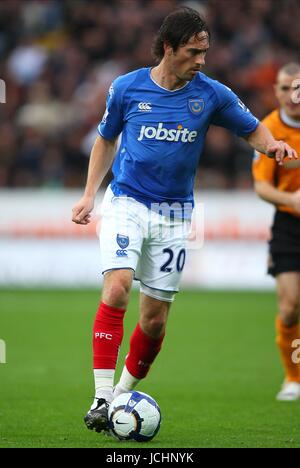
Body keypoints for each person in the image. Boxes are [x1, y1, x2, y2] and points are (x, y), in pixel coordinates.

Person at [72, 7, 297, 433]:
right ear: (169, 48)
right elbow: (105, 139)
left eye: (205, 52)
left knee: (154, 320)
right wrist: (89, 195)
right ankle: (101, 396)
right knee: (117, 286)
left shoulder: (211, 94)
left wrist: (273, 147)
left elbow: (250, 129)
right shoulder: (126, 88)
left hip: (176, 214)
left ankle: (120, 396)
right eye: (194, 52)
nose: (202, 60)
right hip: (127, 202)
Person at [252, 63, 300, 401]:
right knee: (290, 308)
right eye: (284, 88)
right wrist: (292, 200)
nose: (291, 95)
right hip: (289, 225)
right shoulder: (269, 129)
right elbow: (262, 187)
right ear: (276, 91)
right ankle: (294, 377)